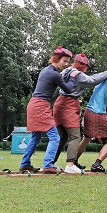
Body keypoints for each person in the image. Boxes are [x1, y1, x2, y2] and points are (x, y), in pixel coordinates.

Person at [52, 53, 107, 174]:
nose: (87, 68)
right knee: (75, 136)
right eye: (86, 66)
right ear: (80, 64)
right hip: (69, 105)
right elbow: (92, 81)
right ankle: (70, 164)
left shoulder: (66, 70)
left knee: (62, 136)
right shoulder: (78, 74)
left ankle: (50, 163)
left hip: (59, 103)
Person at [19, 46, 78, 174]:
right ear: (57, 59)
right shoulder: (54, 74)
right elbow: (68, 89)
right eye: (65, 61)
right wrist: (73, 76)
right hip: (41, 106)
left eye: (68, 61)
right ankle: (47, 165)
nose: (66, 64)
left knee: (35, 137)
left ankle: (24, 164)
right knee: (55, 137)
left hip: (33, 104)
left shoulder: (46, 70)